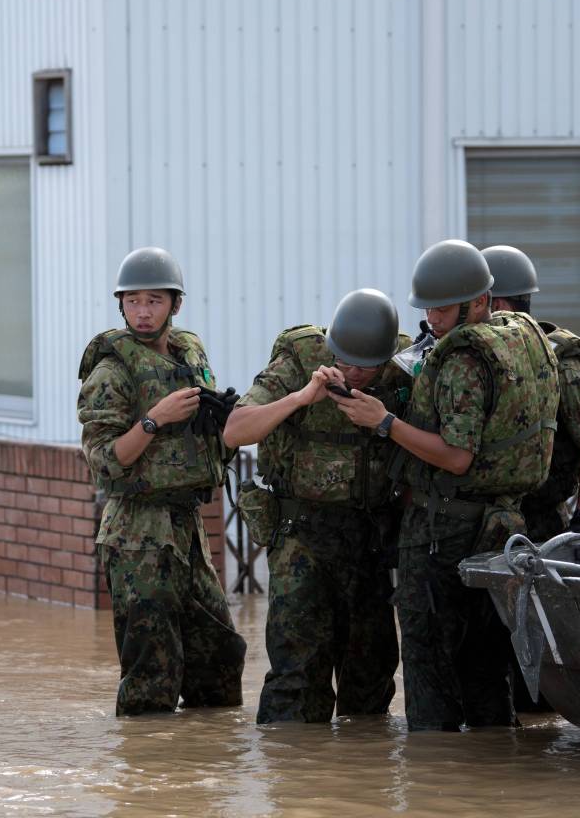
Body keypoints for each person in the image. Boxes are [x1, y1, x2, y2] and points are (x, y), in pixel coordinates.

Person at [366, 239, 560, 731]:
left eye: (442, 308)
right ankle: (488, 773)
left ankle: (436, 778)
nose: (432, 319)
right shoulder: (521, 336)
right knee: (485, 657)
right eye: (427, 308)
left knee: (428, 655)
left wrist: (384, 421)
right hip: (502, 524)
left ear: (479, 302)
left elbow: (456, 456)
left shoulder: (463, 360)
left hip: (444, 529)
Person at [224, 289, 413, 724]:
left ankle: (358, 781)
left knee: (372, 677)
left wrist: (382, 417)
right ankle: (295, 781)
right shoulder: (297, 357)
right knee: (297, 677)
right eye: (345, 362)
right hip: (301, 537)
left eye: (367, 367)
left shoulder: (404, 365)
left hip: (369, 539)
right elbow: (235, 429)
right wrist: (300, 398)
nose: (354, 374)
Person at [77, 246, 246, 716]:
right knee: (152, 670)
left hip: (186, 525)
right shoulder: (111, 371)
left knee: (218, 654)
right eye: (133, 301)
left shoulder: (188, 352)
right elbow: (105, 461)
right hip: (137, 534)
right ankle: (147, 776)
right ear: (121, 305)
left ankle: (200, 776)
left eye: (154, 300)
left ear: (175, 304)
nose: (143, 312)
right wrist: (153, 420)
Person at [481, 246, 580, 541]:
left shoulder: (561, 363)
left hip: (542, 523)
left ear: (498, 304)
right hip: (491, 520)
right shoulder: (487, 360)